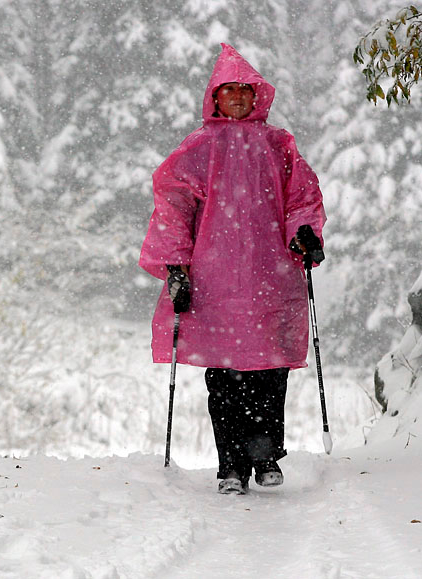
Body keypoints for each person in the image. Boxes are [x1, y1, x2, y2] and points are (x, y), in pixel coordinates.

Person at [139, 44, 326, 495]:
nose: (239, 98)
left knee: (269, 367)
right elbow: (173, 206)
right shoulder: (200, 147)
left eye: (246, 90)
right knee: (223, 374)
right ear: (215, 98)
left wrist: (304, 232)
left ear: (257, 97)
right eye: (230, 91)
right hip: (215, 280)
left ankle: (264, 456)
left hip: (270, 276)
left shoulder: (279, 145)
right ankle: (230, 466)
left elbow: (302, 197)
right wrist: (176, 266)